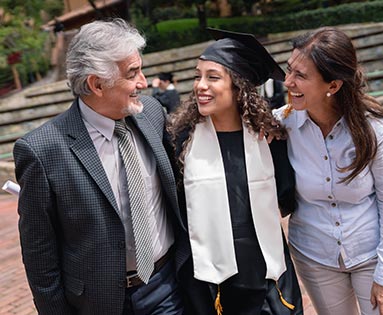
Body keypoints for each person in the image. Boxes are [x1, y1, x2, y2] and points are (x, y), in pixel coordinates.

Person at [13, 18, 184, 315]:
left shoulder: (152, 114)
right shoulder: (42, 151)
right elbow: (40, 256)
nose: (143, 82)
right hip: (99, 303)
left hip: (166, 285)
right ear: (97, 84)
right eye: (133, 74)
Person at [273, 26, 383, 315]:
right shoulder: (282, 123)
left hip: (374, 251)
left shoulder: (375, 128)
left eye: (301, 76)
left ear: (333, 86)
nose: (288, 82)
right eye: (289, 71)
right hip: (315, 255)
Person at [167, 28, 302, 315]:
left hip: (267, 275)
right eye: (197, 76)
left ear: (238, 87)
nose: (200, 85)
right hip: (208, 282)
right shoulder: (180, 142)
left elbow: (287, 197)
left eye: (212, 77)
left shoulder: (269, 138)